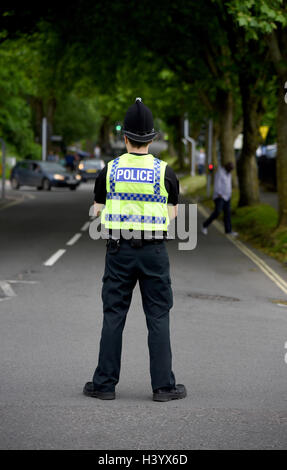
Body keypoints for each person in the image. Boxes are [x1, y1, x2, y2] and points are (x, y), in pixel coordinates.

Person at [83, 98, 186, 402]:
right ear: (152, 138)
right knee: (158, 315)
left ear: (125, 137)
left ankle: (104, 385)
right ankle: (164, 387)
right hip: (154, 251)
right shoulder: (165, 172)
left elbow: (97, 211)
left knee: (114, 314)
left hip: (118, 251)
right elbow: (172, 214)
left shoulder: (109, 170)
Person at [201, 162, 238, 236]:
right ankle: (205, 225)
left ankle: (228, 230)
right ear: (227, 167)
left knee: (227, 213)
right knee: (217, 212)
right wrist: (219, 194)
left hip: (227, 197)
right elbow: (217, 184)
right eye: (230, 169)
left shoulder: (229, 173)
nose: (231, 171)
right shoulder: (220, 173)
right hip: (219, 197)